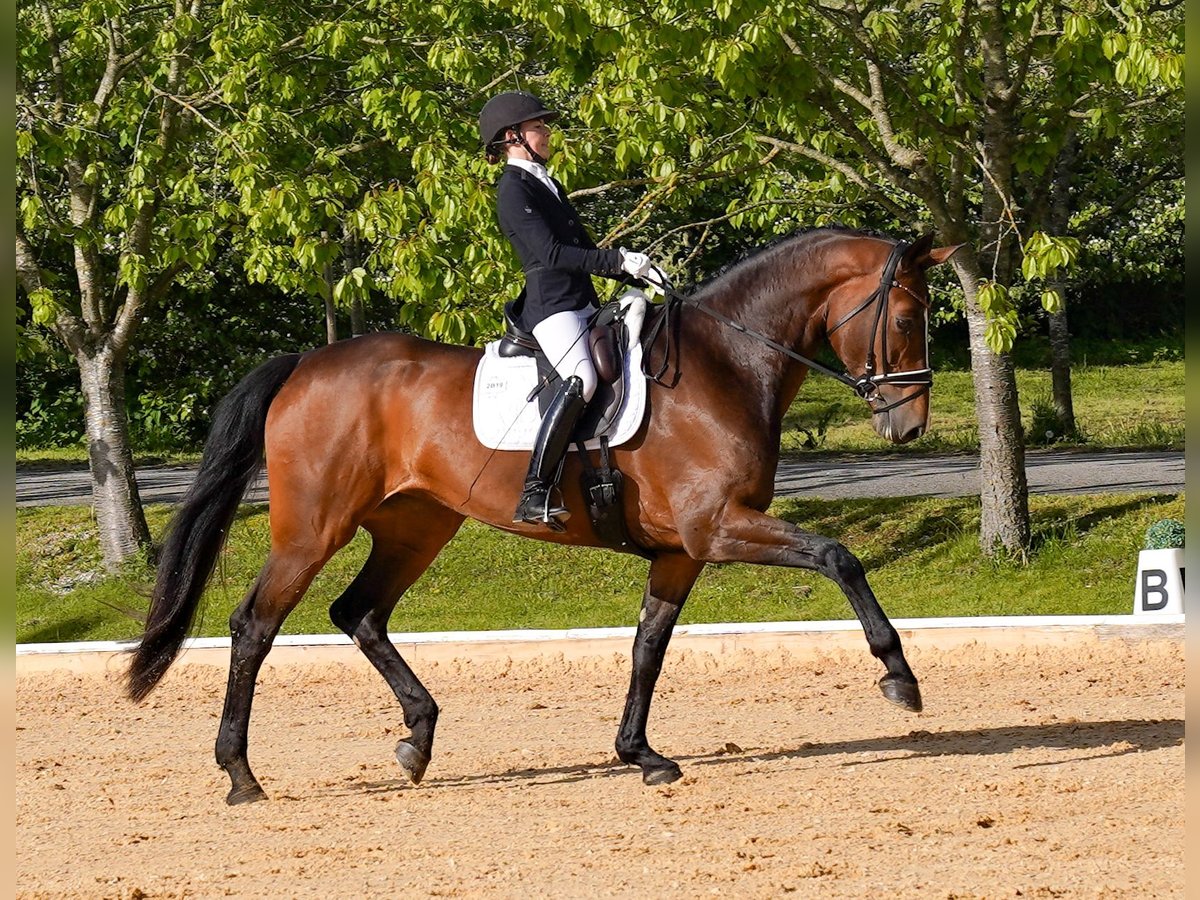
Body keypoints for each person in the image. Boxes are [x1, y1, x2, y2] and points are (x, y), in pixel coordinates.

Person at [479, 89, 668, 529]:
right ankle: (535, 491)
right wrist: (618, 260)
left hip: (582, 301)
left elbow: (583, 248)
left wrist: (635, 274)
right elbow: (550, 253)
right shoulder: (512, 188)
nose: (546, 133)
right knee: (580, 380)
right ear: (513, 137)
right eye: (538, 127)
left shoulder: (547, 181)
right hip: (551, 307)